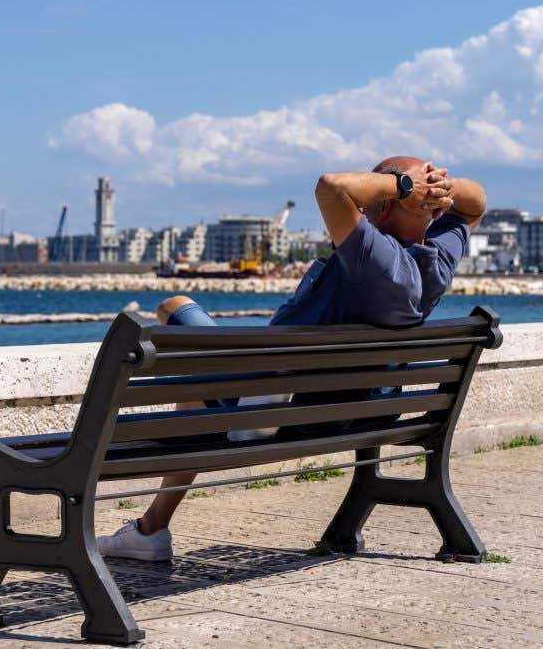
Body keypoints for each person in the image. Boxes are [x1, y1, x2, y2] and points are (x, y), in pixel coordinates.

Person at [97, 156, 487, 561]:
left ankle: (156, 524)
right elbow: (476, 204)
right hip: (357, 414)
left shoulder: (375, 259)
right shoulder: (435, 263)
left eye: (377, 190)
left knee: (173, 308)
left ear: (386, 203)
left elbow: (331, 187)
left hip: (281, 403)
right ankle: (152, 527)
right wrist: (441, 188)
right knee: (208, 377)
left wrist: (405, 185)